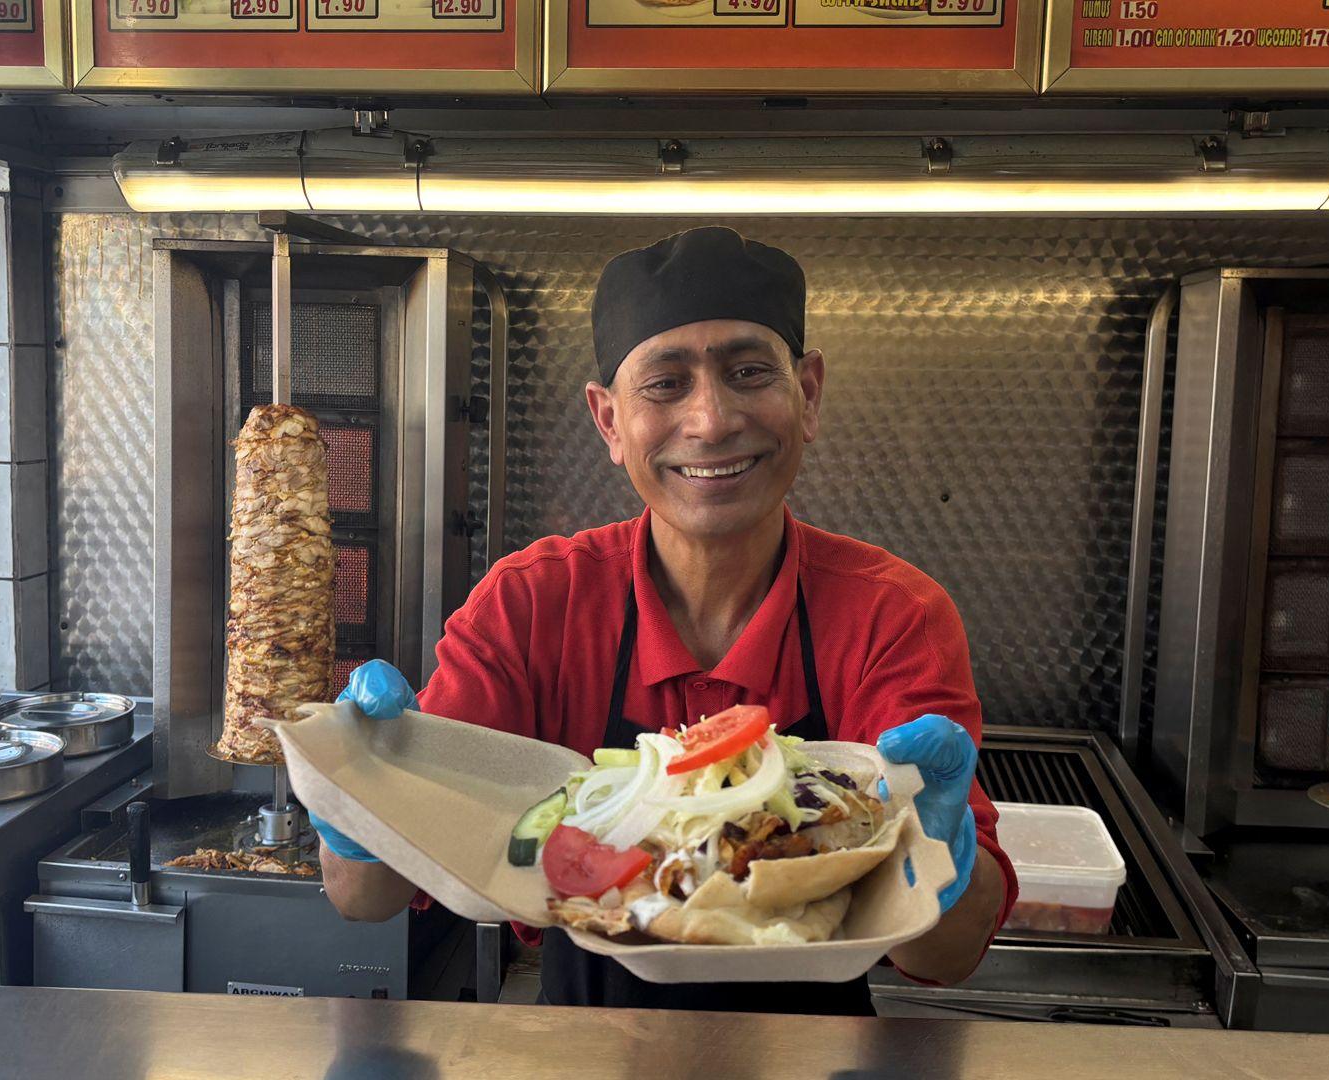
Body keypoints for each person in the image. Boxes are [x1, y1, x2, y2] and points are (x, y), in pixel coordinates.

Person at [315, 226, 1016, 1014]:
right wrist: (358, 793)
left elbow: (948, 955)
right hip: (584, 1053)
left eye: (750, 372)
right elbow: (365, 899)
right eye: (665, 384)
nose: (712, 421)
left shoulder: (894, 615)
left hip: (811, 1057)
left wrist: (941, 861)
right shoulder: (532, 605)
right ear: (609, 421)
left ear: (808, 395)